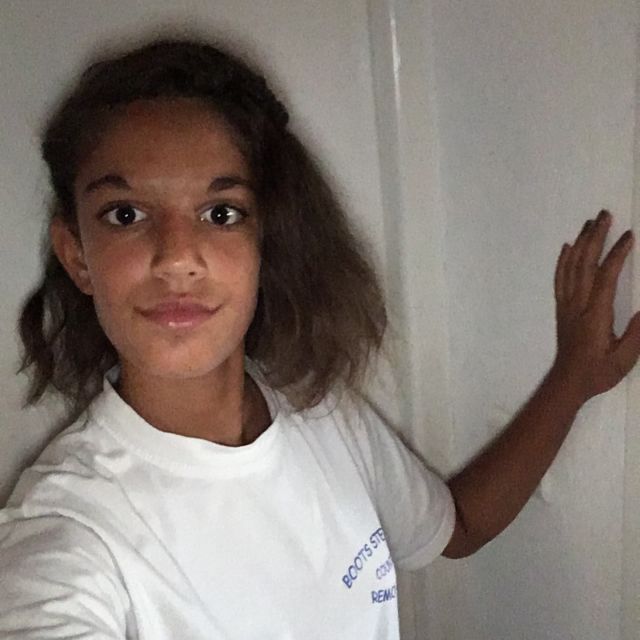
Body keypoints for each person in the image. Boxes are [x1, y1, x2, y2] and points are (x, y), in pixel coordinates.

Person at [0, 37, 638, 640]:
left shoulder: (319, 408)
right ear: (77, 255)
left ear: (265, 240)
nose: (177, 258)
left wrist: (573, 379)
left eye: (220, 213)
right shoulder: (67, 534)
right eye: (126, 215)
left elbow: (457, 526)